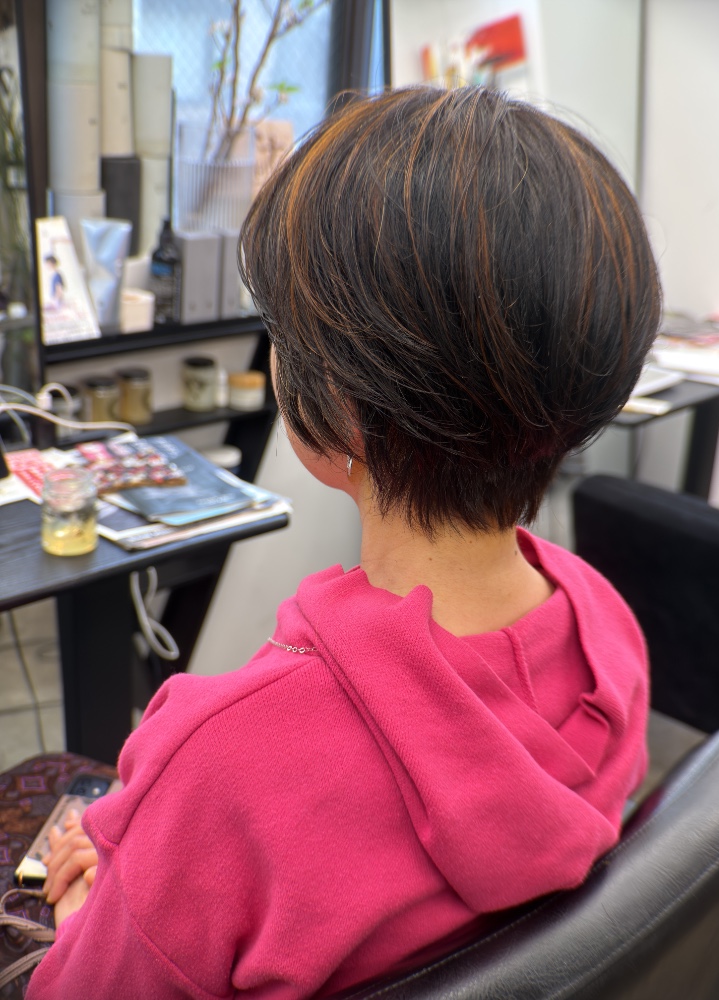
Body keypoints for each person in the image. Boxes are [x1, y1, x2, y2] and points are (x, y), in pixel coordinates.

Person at [27, 86, 661, 999]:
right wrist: (156, 864)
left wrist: (95, 903)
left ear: (344, 409)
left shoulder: (220, 764)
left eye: (282, 332)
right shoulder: (608, 630)